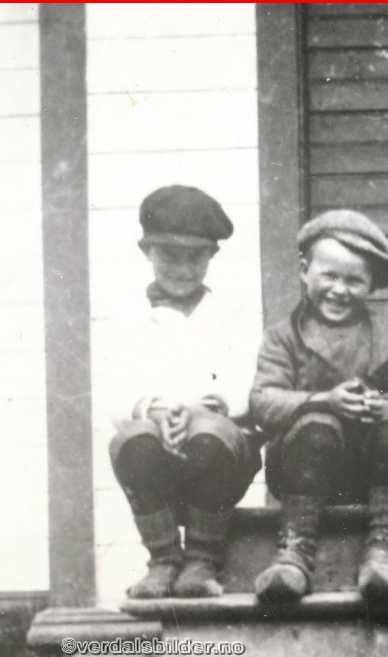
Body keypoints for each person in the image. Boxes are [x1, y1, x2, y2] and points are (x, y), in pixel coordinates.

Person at [248, 210, 388, 609]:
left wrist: (384, 406)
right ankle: (294, 551)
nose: (339, 290)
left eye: (354, 280)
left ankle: (384, 546)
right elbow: (262, 400)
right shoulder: (282, 337)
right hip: (303, 471)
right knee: (318, 425)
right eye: (329, 276)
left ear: (371, 284)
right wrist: (323, 400)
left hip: (372, 473)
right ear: (304, 271)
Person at [108, 185, 262, 599]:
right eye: (169, 256)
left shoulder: (233, 315)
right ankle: (163, 559)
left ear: (212, 255)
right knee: (131, 440)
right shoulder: (129, 318)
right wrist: (154, 410)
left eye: (195, 257)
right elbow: (116, 388)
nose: (182, 269)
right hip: (161, 449)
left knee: (209, 433)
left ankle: (202, 558)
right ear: (147, 252)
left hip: (219, 451)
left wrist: (201, 409)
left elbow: (248, 383)